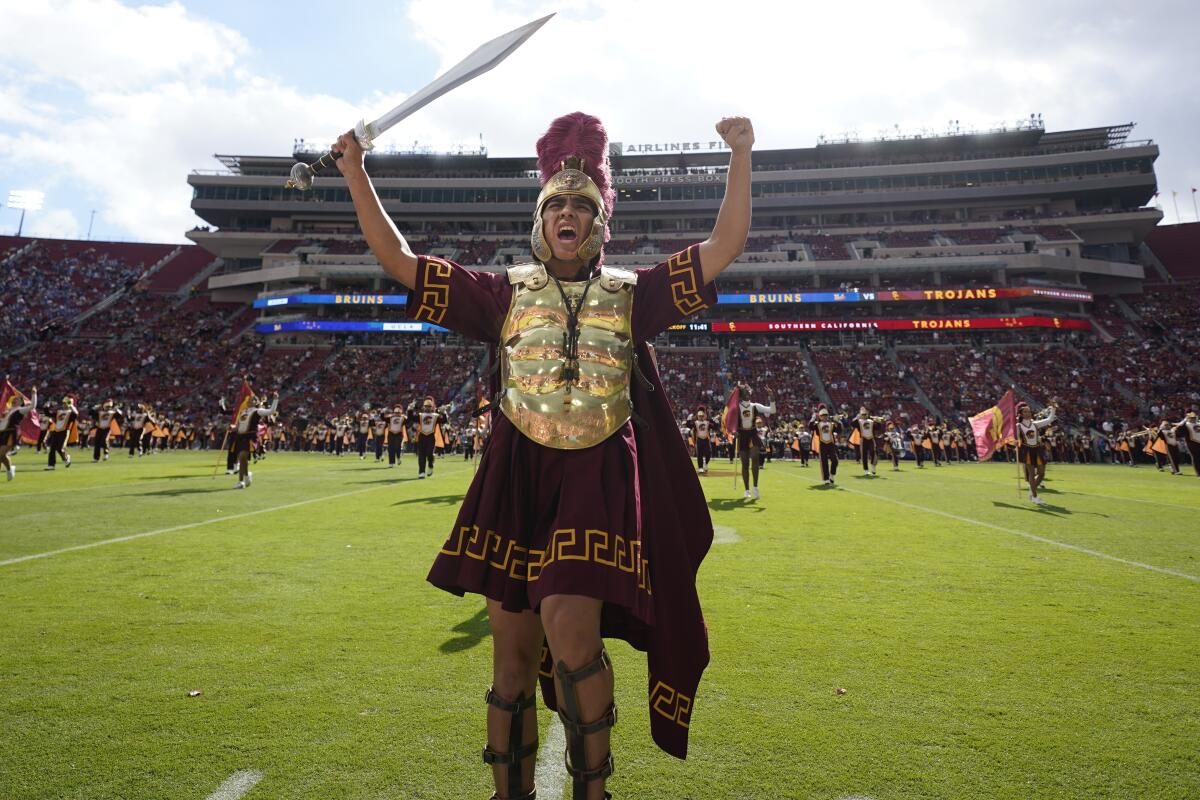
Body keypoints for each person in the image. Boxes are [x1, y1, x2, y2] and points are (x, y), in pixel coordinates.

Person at [335, 110, 751, 800]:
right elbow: (402, 265)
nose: (566, 212)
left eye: (580, 205)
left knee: (570, 626)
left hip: (597, 477)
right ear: (541, 217)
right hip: (516, 478)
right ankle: (510, 796)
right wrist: (355, 174)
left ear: (598, 220)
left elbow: (724, 243)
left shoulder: (632, 294)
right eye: (555, 202)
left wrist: (739, 156)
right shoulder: (503, 293)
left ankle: (594, 792)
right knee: (511, 656)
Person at [734, 385, 774, 499]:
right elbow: (729, 420)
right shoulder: (736, 407)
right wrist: (733, 432)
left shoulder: (755, 406)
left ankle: (755, 487)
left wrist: (771, 396)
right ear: (741, 394)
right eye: (744, 392)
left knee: (755, 458)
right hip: (742, 436)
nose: (747, 393)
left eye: (748, 391)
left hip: (752, 434)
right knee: (745, 464)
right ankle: (747, 490)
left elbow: (772, 410)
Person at [232, 392, 278, 489]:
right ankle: (245, 476)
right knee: (242, 459)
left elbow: (271, 411)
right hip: (240, 436)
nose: (252, 400)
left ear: (257, 402)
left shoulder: (258, 411)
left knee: (242, 455)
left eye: (254, 399)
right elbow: (239, 426)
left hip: (250, 436)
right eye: (251, 399)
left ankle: (241, 481)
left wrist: (275, 400)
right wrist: (233, 428)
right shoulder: (243, 412)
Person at [1016, 402, 1056, 505]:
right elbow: (1012, 436)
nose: (1028, 413)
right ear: (1021, 414)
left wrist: (1053, 409)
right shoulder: (1018, 426)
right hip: (1026, 450)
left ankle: (1031, 489)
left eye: (1029, 411)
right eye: (1025, 411)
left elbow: (1049, 420)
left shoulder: (1035, 424)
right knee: (1031, 473)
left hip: (1037, 449)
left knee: (1041, 473)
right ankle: (1034, 496)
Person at [1, 387, 36, 481]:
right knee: (1, 455)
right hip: (3, 432)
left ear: (21, 402)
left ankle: (9, 470)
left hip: (11, 433)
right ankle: (10, 469)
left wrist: (34, 394)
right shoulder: (8, 411)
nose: (14, 400)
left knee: (1, 454)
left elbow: (32, 406)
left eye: (16, 399)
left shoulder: (21, 409)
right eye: (14, 399)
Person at [45, 396, 78, 471]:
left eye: (66, 403)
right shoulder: (59, 411)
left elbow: (76, 414)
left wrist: (71, 405)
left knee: (60, 448)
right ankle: (51, 465)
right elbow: (49, 414)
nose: (64, 405)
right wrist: (46, 407)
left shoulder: (70, 413)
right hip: (56, 431)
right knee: (52, 448)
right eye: (63, 403)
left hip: (65, 432)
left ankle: (66, 458)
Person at [810, 406, 841, 485]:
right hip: (822, 444)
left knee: (835, 460)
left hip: (831, 444)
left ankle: (832, 475)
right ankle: (826, 479)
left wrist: (838, 421)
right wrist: (813, 419)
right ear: (820, 416)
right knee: (824, 462)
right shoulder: (817, 424)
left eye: (825, 415)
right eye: (822, 415)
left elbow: (839, 430)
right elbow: (810, 427)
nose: (824, 417)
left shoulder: (832, 424)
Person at [690, 405, 713, 474]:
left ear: (704, 415)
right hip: (699, 439)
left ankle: (705, 464)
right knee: (699, 454)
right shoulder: (695, 422)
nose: (701, 417)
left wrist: (713, 420)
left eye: (702, 416)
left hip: (706, 439)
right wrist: (690, 419)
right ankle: (700, 468)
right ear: (697, 416)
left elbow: (714, 426)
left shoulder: (708, 422)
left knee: (708, 453)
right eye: (700, 416)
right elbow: (689, 425)